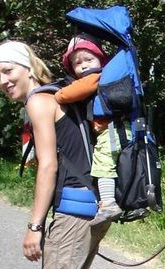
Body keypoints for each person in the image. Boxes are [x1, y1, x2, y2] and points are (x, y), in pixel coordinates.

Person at [0, 40, 129, 269]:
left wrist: (34, 227)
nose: (4, 80)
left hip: (72, 210)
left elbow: (48, 167)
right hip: (92, 208)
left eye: (8, 70)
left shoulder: (39, 101)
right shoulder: (63, 93)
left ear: (27, 67)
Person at [56, 34, 123, 226]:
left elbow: (70, 94)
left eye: (89, 59)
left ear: (100, 60)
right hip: (110, 131)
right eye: (78, 63)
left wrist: (57, 95)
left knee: (103, 164)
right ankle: (107, 200)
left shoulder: (95, 76)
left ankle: (109, 204)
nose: (84, 65)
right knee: (106, 164)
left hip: (111, 131)